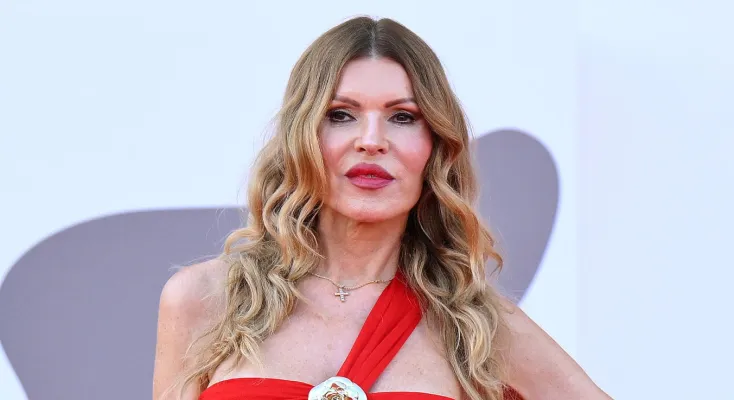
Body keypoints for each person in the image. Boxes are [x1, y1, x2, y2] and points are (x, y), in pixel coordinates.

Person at [152, 16, 611, 400]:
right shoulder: (203, 299)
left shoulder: (478, 328)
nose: (371, 140)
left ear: (435, 146)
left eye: (403, 117)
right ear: (301, 137)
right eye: (341, 114)